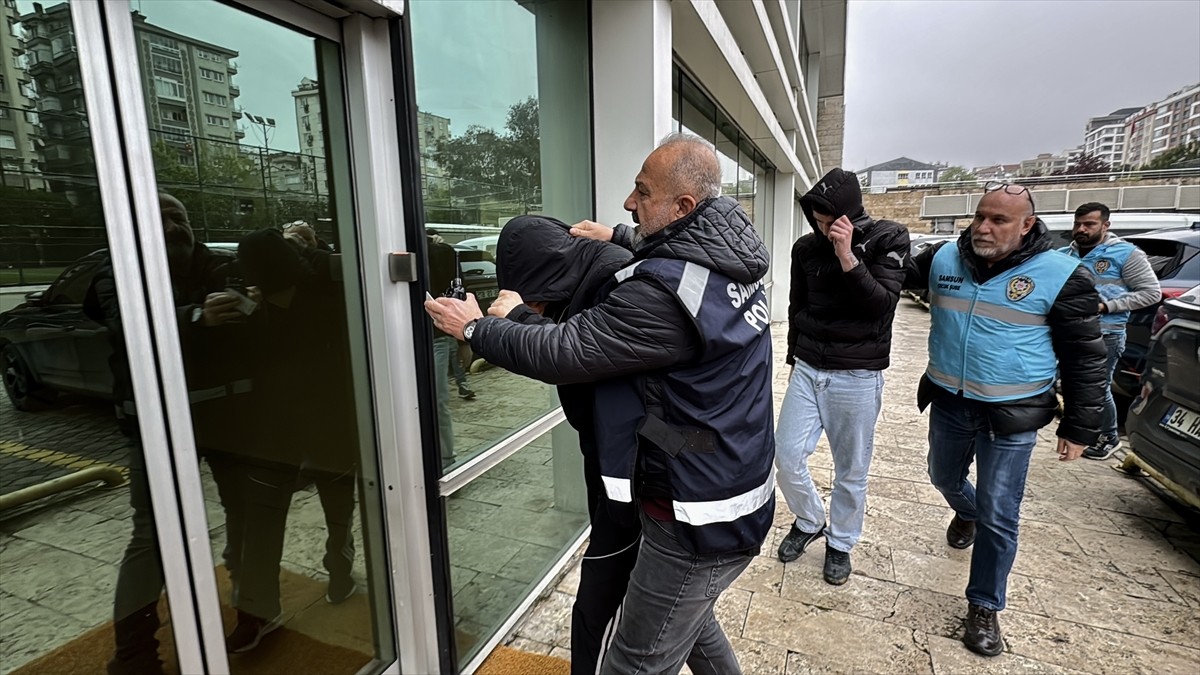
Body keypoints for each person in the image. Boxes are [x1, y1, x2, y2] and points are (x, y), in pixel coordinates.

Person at [426, 132, 775, 675]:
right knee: (691, 620)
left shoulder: (661, 299)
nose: (628, 204)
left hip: (696, 510)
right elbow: (673, 251)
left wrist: (481, 325)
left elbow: (566, 350)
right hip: (717, 465)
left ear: (683, 206)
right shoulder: (728, 258)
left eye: (641, 192)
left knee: (634, 662)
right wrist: (617, 236)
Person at [905, 182, 1105, 657]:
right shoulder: (943, 259)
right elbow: (888, 276)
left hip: (1012, 416)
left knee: (1000, 513)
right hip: (951, 402)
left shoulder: (1062, 274)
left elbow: (1085, 358)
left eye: (998, 220)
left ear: (1027, 225)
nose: (984, 227)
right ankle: (965, 510)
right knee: (942, 477)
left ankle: (984, 606)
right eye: (980, 216)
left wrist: (1079, 427)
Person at [92, 193, 258, 674]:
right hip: (156, 425)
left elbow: (245, 309)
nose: (173, 227)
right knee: (153, 534)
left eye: (179, 217)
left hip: (227, 419)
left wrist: (248, 303)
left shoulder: (215, 264)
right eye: (160, 218)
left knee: (242, 513)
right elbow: (126, 322)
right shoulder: (116, 270)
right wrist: (194, 317)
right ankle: (135, 652)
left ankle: (251, 609)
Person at [486, 214, 640, 675]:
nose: (531, 306)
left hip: (633, 470)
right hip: (613, 457)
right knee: (678, 601)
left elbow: (571, 355)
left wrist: (484, 328)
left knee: (606, 598)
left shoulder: (616, 282)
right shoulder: (591, 272)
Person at [776, 168, 910, 584]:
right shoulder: (805, 248)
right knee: (785, 455)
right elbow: (797, 305)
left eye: (826, 219)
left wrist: (847, 255)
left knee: (851, 469)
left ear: (846, 213)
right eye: (814, 219)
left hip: (856, 375)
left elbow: (880, 306)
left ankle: (841, 542)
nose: (819, 227)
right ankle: (810, 518)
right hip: (809, 368)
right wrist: (794, 355)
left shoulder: (889, 237)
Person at [1059, 202, 1160, 460]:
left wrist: (1107, 306)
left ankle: (1109, 437)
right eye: (1077, 224)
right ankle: (1081, 433)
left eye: (1089, 224)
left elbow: (1151, 293)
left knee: (1098, 388)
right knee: (1071, 386)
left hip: (1106, 334)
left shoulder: (1126, 254)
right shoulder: (1065, 255)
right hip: (1068, 331)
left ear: (1105, 225)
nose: (1081, 229)